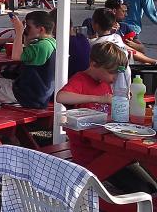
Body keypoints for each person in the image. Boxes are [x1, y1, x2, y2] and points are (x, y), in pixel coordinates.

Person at [56, 42, 157, 194]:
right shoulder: (80, 79)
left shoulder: (104, 82)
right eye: (111, 73)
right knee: (143, 190)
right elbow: (61, 96)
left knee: (150, 184)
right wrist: (100, 99)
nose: (115, 78)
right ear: (94, 64)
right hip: (90, 152)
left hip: (111, 147)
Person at [0, 11, 56, 110]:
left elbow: (16, 56)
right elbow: (26, 49)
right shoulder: (50, 43)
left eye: (28, 27)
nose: (26, 29)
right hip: (35, 92)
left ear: (41, 29)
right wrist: (25, 35)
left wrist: (19, 32)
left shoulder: (41, 46)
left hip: (28, 95)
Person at [91, 8, 156, 66]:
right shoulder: (117, 38)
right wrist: (153, 61)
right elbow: (132, 52)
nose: (126, 14)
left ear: (95, 25)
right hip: (124, 73)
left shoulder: (92, 44)